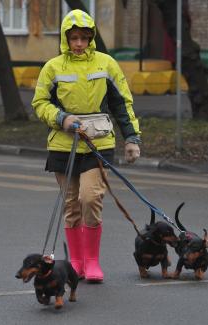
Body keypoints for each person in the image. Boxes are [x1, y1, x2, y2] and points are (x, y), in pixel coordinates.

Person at [32, 9, 141, 282]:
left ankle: (92, 261)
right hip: (63, 145)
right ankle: (77, 263)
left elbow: (122, 103)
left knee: (90, 198)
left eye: (84, 37)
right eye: (74, 38)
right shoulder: (53, 67)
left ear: (91, 38)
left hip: (98, 144)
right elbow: (40, 103)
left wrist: (131, 138)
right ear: (65, 39)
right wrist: (62, 118)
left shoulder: (106, 63)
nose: (79, 43)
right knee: (71, 205)